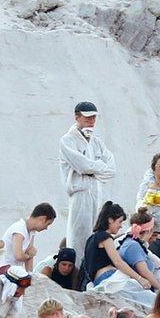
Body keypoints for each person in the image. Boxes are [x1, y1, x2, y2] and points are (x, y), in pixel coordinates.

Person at [58, 101, 115, 249]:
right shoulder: (67, 140)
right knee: (79, 237)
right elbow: (82, 165)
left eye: (93, 118)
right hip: (81, 194)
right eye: (87, 118)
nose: (91, 121)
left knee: (99, 236)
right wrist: (98, 168)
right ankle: (77, 270)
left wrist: (93, 171)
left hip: (99, 193)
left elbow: (111, 169)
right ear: (77, 117)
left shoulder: (97, 142)